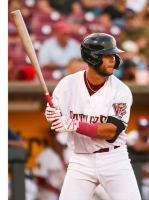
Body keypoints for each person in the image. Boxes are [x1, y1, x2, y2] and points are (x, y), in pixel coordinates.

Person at [44, 33, 141, 200]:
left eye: (114, 55)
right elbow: (57, 116)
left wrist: (74, 125)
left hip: (114, 158)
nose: (113, 60)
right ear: (93, 58)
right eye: (107, 55)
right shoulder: (67, 85)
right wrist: (52, 115)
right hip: (81, 160)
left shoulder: (121, 91)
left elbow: (112, 131)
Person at [32, 129, 68, 200]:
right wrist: (58, 191)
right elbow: (41, 180)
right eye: (58, 136)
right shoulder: (44, 155)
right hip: (51, 191)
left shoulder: (71, 153)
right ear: (53, 137)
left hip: (69, 189)